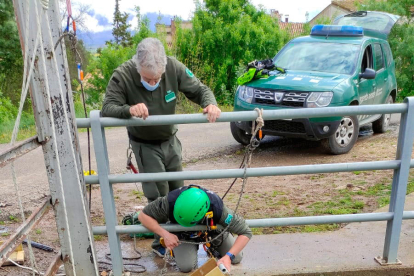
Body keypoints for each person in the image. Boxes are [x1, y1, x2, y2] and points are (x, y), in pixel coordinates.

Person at [102, 37, 221, 255]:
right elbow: (107, 107)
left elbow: (200, 89)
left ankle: (181, 239)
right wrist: (128, 110)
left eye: (158, 78)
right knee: (159, 196)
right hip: (144, 144)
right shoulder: (123, 75)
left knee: (180, 194)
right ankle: (161, 245)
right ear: (138, 68)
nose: (154, 81)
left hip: (170, 141)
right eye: (148, 78)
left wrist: (210, 103)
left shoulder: (173, 67)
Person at [138, 185, 252, 273]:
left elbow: (245, 232)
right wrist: (165, 234)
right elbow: (143, 216)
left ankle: (214, 244)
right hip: (182, 234)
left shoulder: (218, 209)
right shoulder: (168, 201)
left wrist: (228, 256)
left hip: (211, 231)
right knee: (186, 267)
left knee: (236, 258)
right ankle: (184, 246)